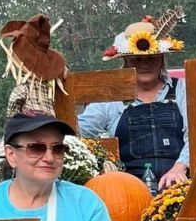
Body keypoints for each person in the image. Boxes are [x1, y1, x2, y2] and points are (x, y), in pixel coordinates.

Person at [78, 11, 189, 190]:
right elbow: (80, 131)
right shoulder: (110, 96)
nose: (144, 64)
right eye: (137, 58)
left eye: (151, 58)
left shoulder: (183, 90)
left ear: (161, 58)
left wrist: (179, 167)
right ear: (126, 60)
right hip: (128, 191)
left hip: (181, 188)